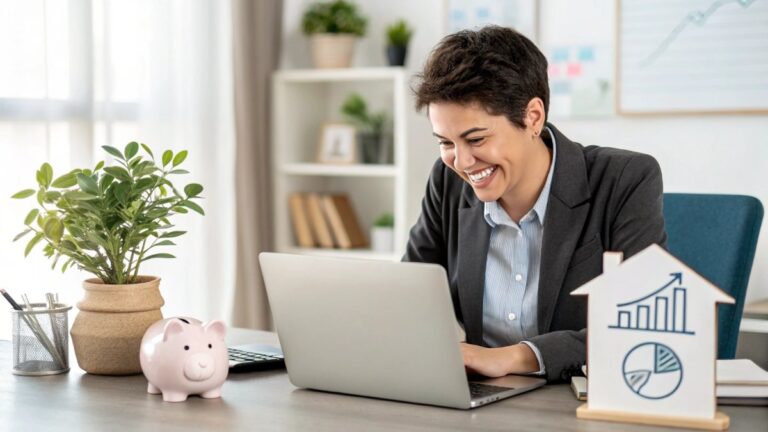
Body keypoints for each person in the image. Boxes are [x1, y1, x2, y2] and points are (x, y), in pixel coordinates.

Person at [404, 26, 667, 383]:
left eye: (476, 138)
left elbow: (642, 325)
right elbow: (409, 295)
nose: (462, 162)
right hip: (480, 404)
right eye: (445, 142)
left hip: (577, 404)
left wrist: (512, 358)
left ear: (533, 117)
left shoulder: (625, 179)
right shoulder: (446, 180)